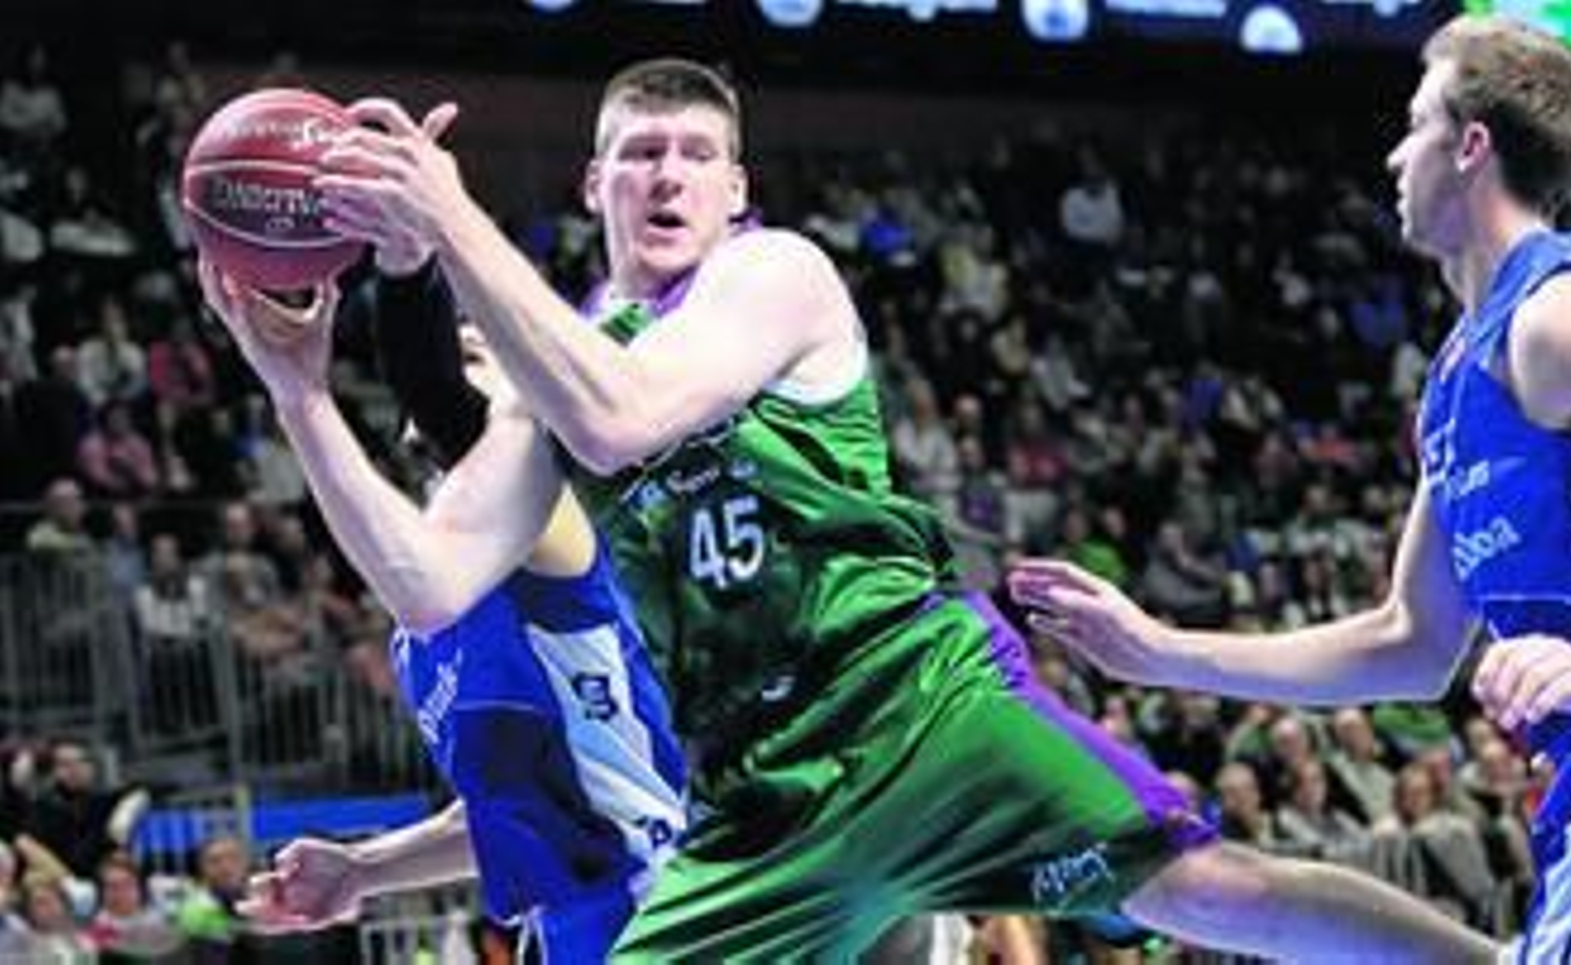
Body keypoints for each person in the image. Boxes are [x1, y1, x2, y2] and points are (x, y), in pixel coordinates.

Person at [306, 59, 1496, 960]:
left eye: (692, 153)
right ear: (593, 182)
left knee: (1204, 885)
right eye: (637, 153)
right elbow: (426, 577)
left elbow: (624, 416)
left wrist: (452, 225)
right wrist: (296, 388)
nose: (665, 174)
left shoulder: (770, 276)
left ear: (734, 189)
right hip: (760, 792)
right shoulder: (558, 378)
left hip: (915, 701)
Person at [1010, 15, 1571, 962]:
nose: (1394, 152)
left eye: (1416, 123)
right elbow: (1406, 642)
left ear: (1471, 147)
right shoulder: (1459, 382)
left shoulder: (1562, 318)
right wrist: (1160, 652)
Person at [198, 249, 686, 962]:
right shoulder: (417, 634)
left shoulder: (547, 517)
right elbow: (517, 811)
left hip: (661, 912)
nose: (454, 375)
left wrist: (403, 260)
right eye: (455, 351)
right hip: (569, 930)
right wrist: (366, 869)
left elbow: (443, 402)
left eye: (476, 357)